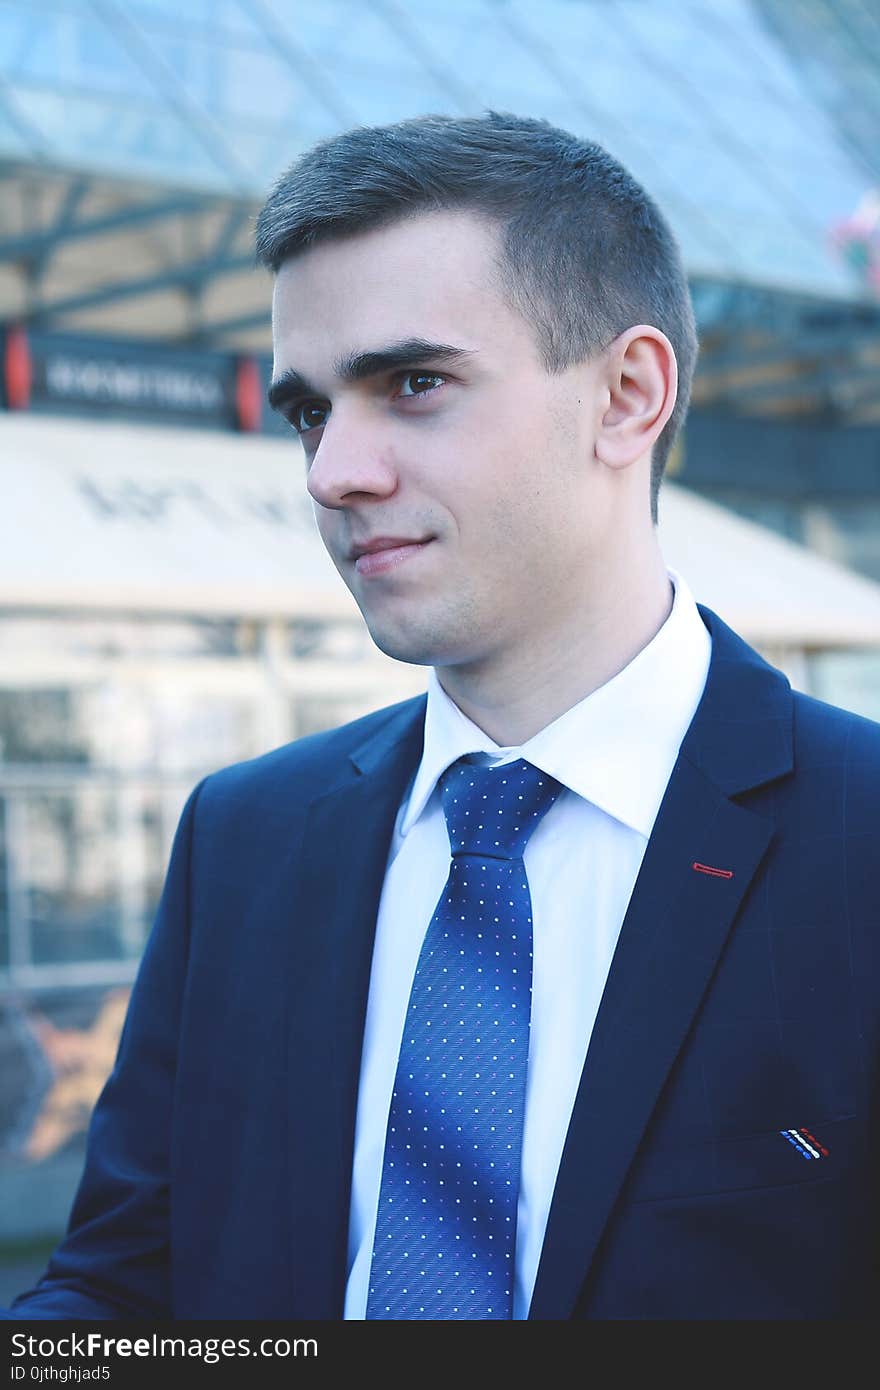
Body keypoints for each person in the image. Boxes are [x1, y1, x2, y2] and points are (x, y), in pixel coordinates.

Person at [5, 111, 879, 1322]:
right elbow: (121, 1290)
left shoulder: (860, 840)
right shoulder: (246, 839)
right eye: (310, 410)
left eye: (413, 384)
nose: (330, 472)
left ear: (628, 396)